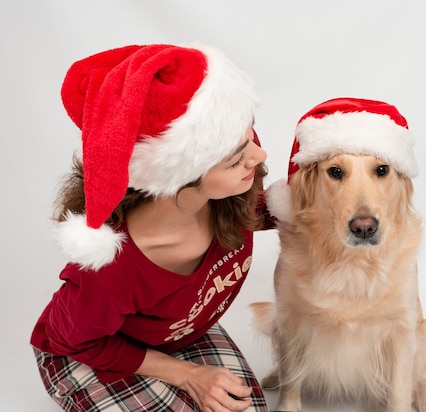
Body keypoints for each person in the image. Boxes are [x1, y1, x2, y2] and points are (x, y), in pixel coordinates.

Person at [30, 43, 272, 412]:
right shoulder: (115, 267)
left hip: (175, 333)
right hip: (87, 350)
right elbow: (75, 340)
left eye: (250, 135)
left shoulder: (235, 186)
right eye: (237, 156)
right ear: (180, 175)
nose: (258, 155)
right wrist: (188, 375)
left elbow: (288, 210)